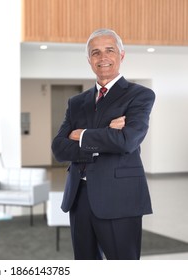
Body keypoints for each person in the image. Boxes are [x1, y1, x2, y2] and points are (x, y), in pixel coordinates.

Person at [51, 28, 155, 260]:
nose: (103, 57)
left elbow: (127, 141)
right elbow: (58, 148)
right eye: (95, 53)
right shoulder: (76, 102)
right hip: (79, 197)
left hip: (120, 197)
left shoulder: (140, 95)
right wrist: (106, 135)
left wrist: (82, 135)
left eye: (109, 50)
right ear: (89, 60)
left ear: (121, 55)